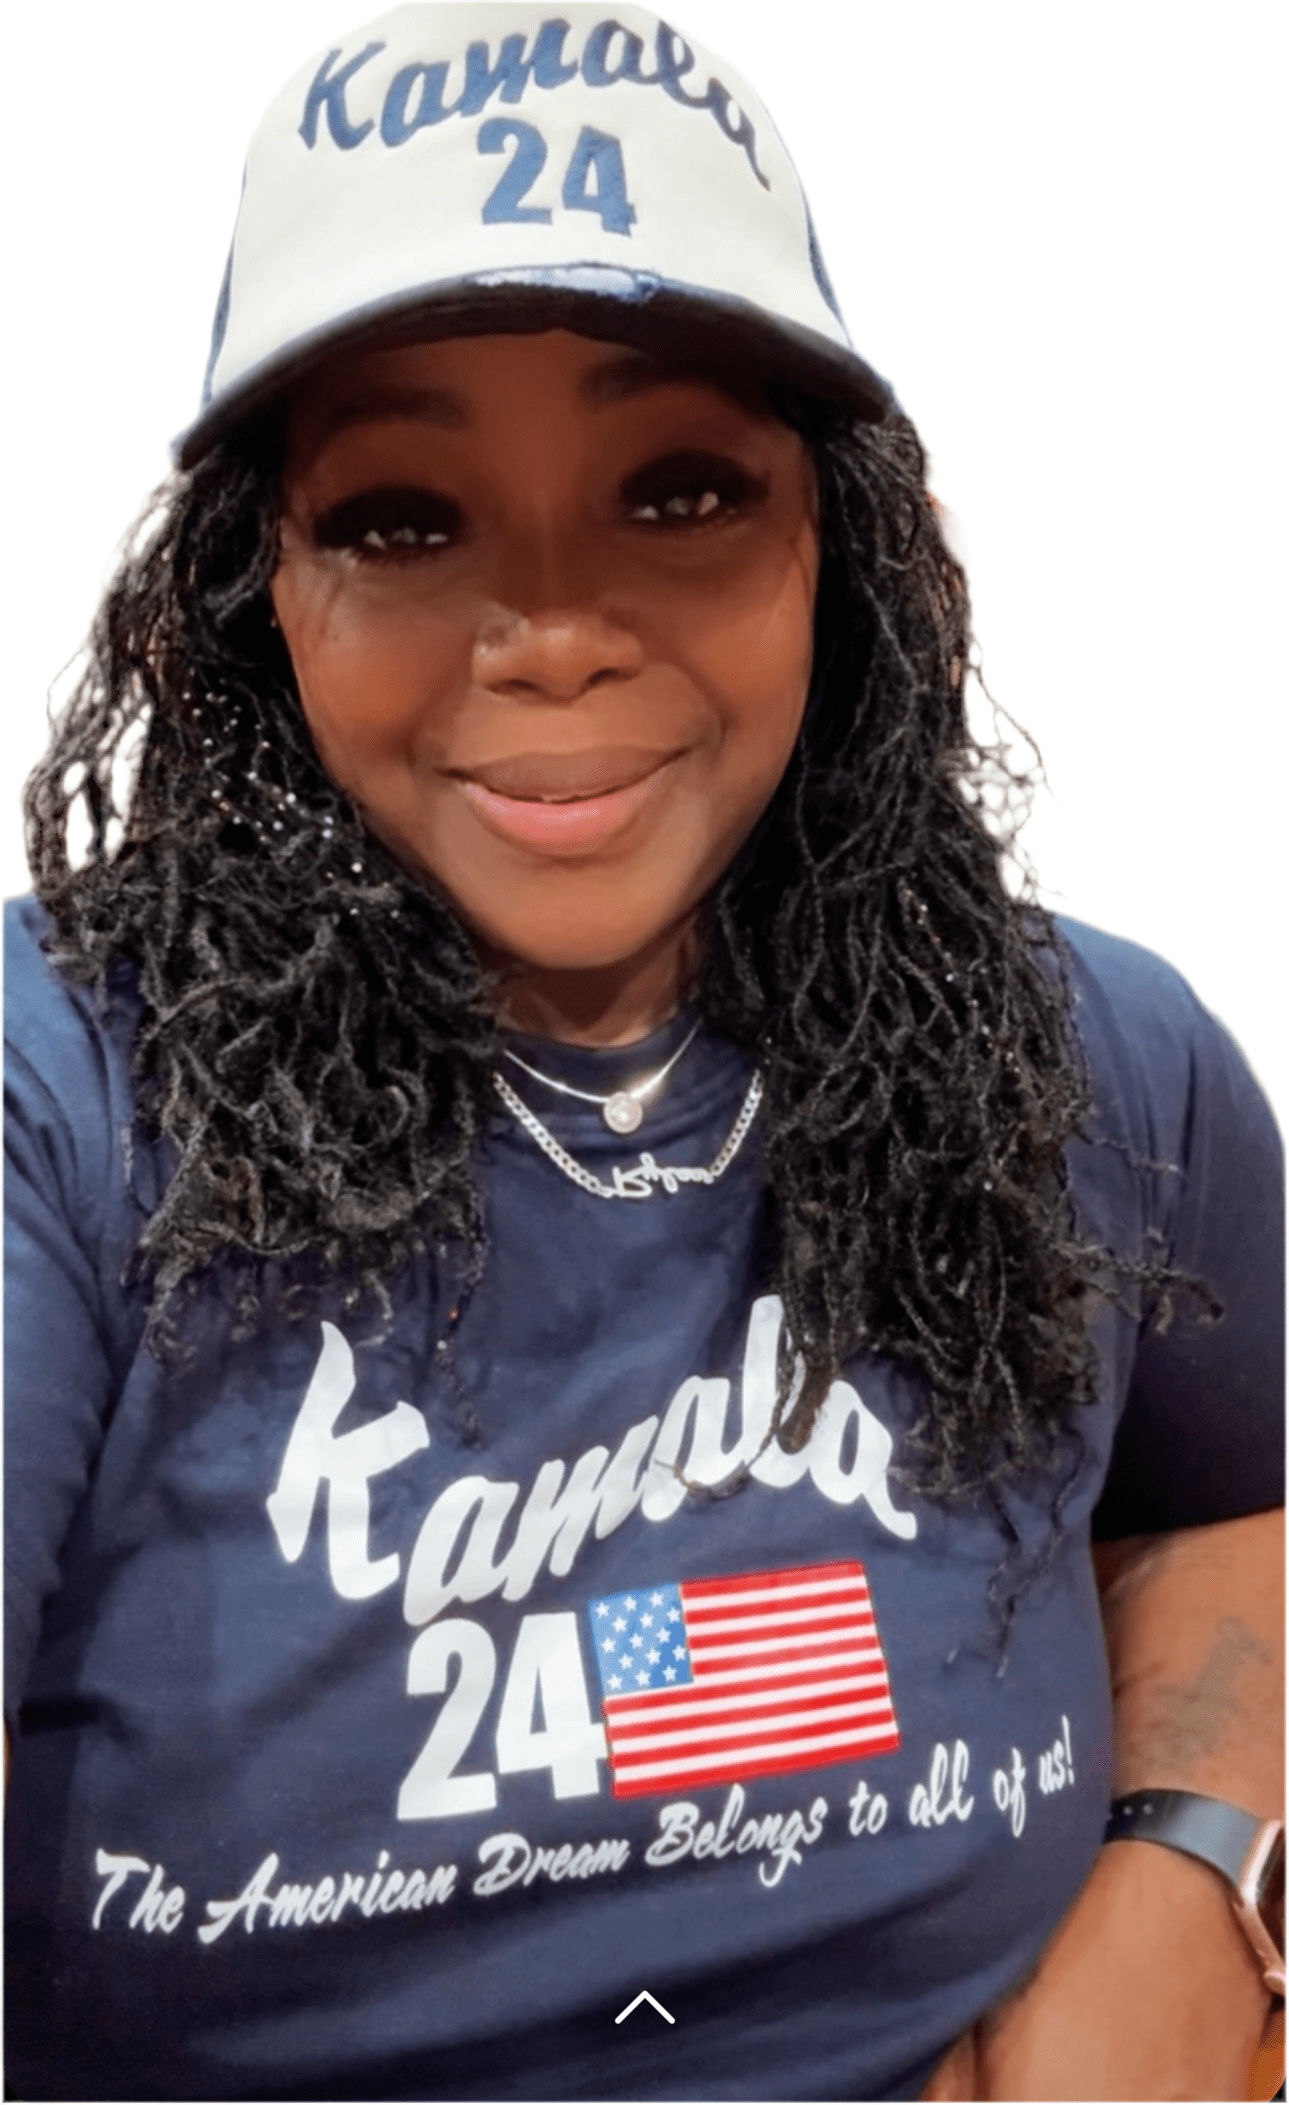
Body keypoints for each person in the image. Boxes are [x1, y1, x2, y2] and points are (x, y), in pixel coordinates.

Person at [4, 4, 1283, 2099]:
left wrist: (1194, 1864)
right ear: (256, 594)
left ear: (837, 545)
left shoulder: (1097, 1061)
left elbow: (1235, 1507)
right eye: (401, 517)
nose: (554, 633)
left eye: (677, 489)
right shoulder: (57, 1100)